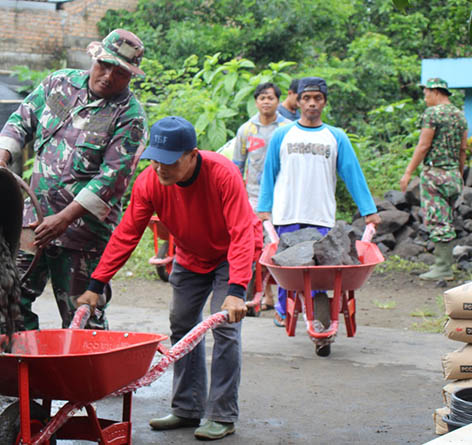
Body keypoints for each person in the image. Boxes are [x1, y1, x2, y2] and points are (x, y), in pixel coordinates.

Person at [77, 116, 260, 441]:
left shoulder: (222, 173)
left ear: (192, 155)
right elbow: (126, 234)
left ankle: (222, 415)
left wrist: (236, 289)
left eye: (169, 162)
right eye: (155, 160)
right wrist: (96, 284)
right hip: (191, 256)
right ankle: (188, 408)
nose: (161, 169)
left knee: (226, 329)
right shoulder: (149, 182)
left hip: (231, 254)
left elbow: (242, 233)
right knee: (183, 325)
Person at [0, 29, 148, 330]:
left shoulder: (130, 117)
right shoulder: (59, 84)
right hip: (34, 222)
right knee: (8, 300)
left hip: (83, 236)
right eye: (104, 65)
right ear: (94, 58)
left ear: (131, 76)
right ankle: (26, 372)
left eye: (120, 72)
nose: (108, 76)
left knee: (82, 319)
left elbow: (111, 180)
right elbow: (21, 120)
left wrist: (64, 219)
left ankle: (80, 377)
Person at [257, 76, 380, 329]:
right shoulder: (283, 135)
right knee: (287, 269)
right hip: (287, 214)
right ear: (298, 101)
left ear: (324, 102)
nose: (312, 103)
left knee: (318, 273)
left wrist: (369, 210)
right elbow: (269, 173)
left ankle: (316, 314)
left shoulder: (335, 137)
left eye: (317, 98)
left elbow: (353, 174)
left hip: (320, 216)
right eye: (307, 98)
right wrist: (264, 209)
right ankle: (284, 310)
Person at [399, 78, 468, 280]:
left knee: (438, 221)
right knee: (447, 218)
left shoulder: (432, 114)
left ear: (436, 92)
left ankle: (442, 268)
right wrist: (459, 173)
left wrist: (408, 172)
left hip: (435, 175)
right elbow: (463, 149)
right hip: (454, 175)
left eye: (426, 93)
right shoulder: (460, 115)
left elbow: (423, 146)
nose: (425, 97)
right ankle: (445, 265)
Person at [232, 82, 290, 311]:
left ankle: (284, 298)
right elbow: (238, 165)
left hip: (283, 196)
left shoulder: (287, 128)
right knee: (257, 247)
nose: (266, 102)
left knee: (279, 246)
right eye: (262, 98)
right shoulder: (246, 130)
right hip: (254, 197)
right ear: (256, 102)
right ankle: (263, 294)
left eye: (271, 98)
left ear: (278, 101)